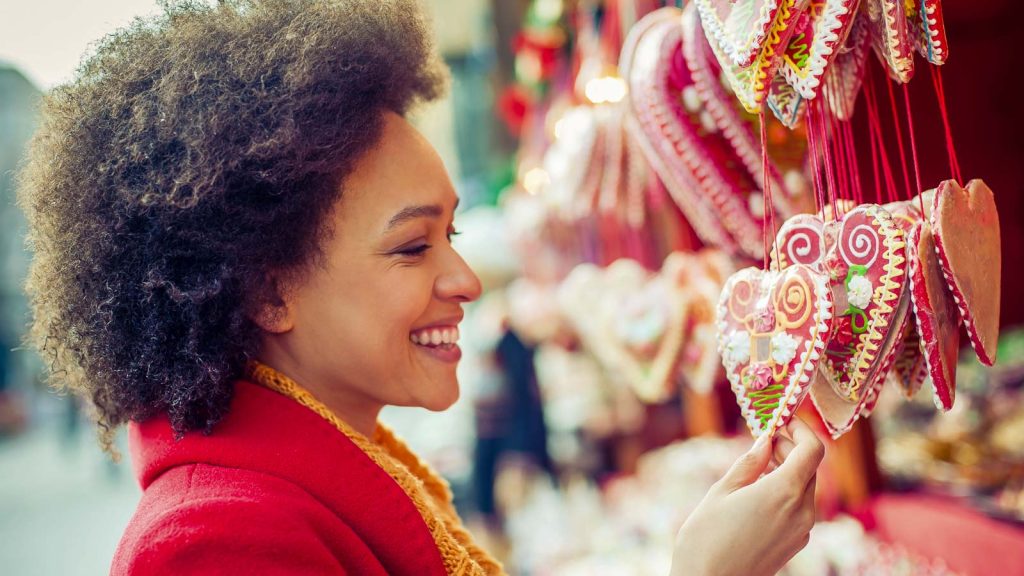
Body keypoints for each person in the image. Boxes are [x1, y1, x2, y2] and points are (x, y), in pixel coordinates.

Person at [16, 1, 824, 574]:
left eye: (454, 236)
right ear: (268, 292)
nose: (466, 280)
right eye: (412, 247)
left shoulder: (330, 468)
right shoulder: (212, 545)